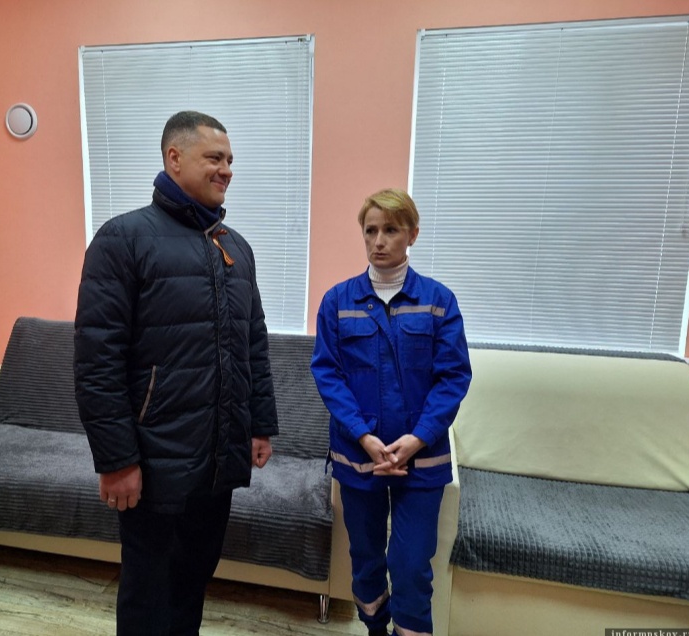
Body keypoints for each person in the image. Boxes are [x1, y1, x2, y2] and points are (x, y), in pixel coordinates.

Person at [74, 110, 278, 636]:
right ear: (174, 158)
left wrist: (259, 424)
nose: (226, 169)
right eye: (215, 158)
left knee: (192, 582)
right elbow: (97, 361)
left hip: (218, 458)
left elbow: (253, 344)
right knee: (149, 593)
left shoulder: (236, 247)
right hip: (154, 460)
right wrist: (117, 459)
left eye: (230, 160)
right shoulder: (122, 240)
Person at [311, 188, 472, 636]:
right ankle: (374, 628)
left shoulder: (438, 301)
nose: (379, 241)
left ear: (412, 235)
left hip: (422, 459)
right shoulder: (337, 302)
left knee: (410, 564)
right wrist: (364, 436)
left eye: (391, 230)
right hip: (358, 454)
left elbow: (453, 377)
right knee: (365, 561)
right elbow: (328, 374)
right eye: (370, 230)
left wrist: (417, 439)